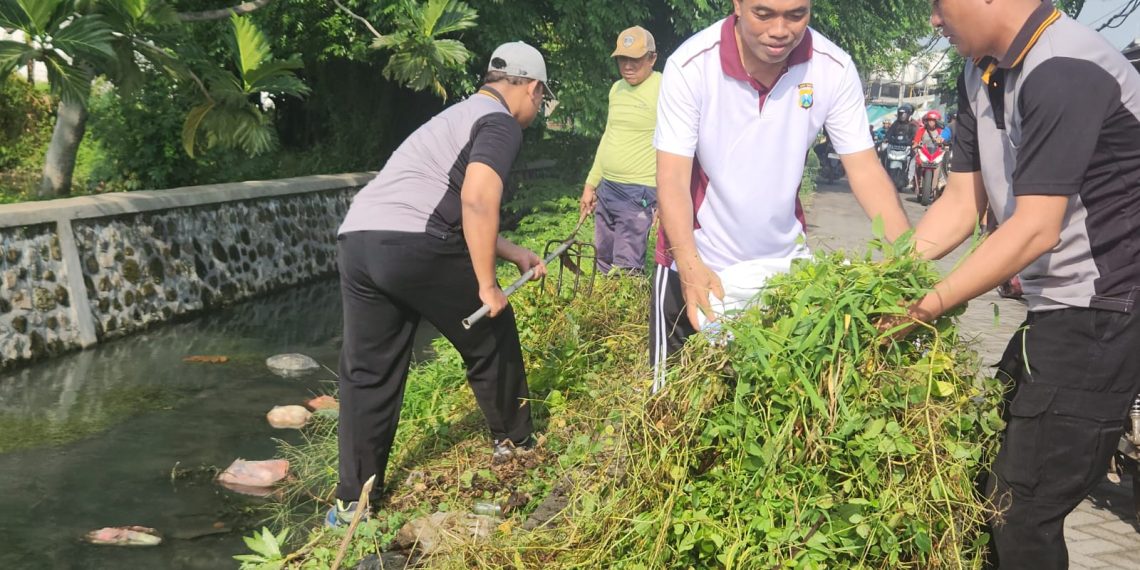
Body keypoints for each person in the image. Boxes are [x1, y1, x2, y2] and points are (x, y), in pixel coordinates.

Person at [901, 1, 1140, 567]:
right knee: (994, 484)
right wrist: (878, 281)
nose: (934, 20)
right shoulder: (980, 71)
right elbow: (961, 203)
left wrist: (925, 306)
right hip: (1057, 309)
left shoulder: (1066, 68)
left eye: (938, 5)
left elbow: (1034, 229)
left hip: (1106, 309)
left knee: (1022, 509)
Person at [330, 42, 553, 524]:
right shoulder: (499, 123)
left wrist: (511, 252)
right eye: (543, 99)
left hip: (359, 241)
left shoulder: (454, 117)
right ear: (532, 88)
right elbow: (475, 201)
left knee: (368, 372)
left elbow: (440, 200)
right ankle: (514, 444)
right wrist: (488, 285)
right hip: (414, 241)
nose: (538, 109)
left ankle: (354, 501)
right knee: (491, 330)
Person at [651, 0, 910, 392]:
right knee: (672, 404)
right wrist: (689, 268)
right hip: (698, 262)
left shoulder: (830, 68)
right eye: (764, 13)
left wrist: (907, 263)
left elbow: (866, 170)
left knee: (768, 406)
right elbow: (672, 178)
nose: (780, 30)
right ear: (737, 5)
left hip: (783, 272)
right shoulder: (691, 66)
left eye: (796, 15)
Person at [579, 26, 662, 275]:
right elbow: (609, 135)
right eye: (622, 59)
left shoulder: (666, 88)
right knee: (603, 259)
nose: (628, 66)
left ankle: (628, 313)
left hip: (639, 192)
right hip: (608, 188)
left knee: (626, 267)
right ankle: (604, 312)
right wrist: (591, 183)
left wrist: (667, 197)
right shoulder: (617, 89)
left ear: (652, 58)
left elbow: (676, 144)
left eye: (635, 59)